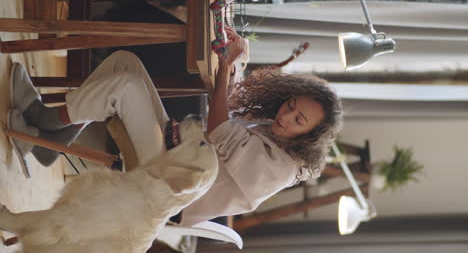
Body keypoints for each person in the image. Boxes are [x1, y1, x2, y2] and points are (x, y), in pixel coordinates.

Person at [8, 27, 343, 226]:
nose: (285, 117)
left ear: (308, 136)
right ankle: (49, 143)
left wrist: (226, 69)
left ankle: (47, 120)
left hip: (169, 191)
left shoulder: (281, 168)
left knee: (126, 86)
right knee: (124, 62)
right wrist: (237, 62)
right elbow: (227, 115)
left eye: (298, 120)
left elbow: (218, 131)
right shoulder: (274, 134)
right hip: (174, 156)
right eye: (290, 106)